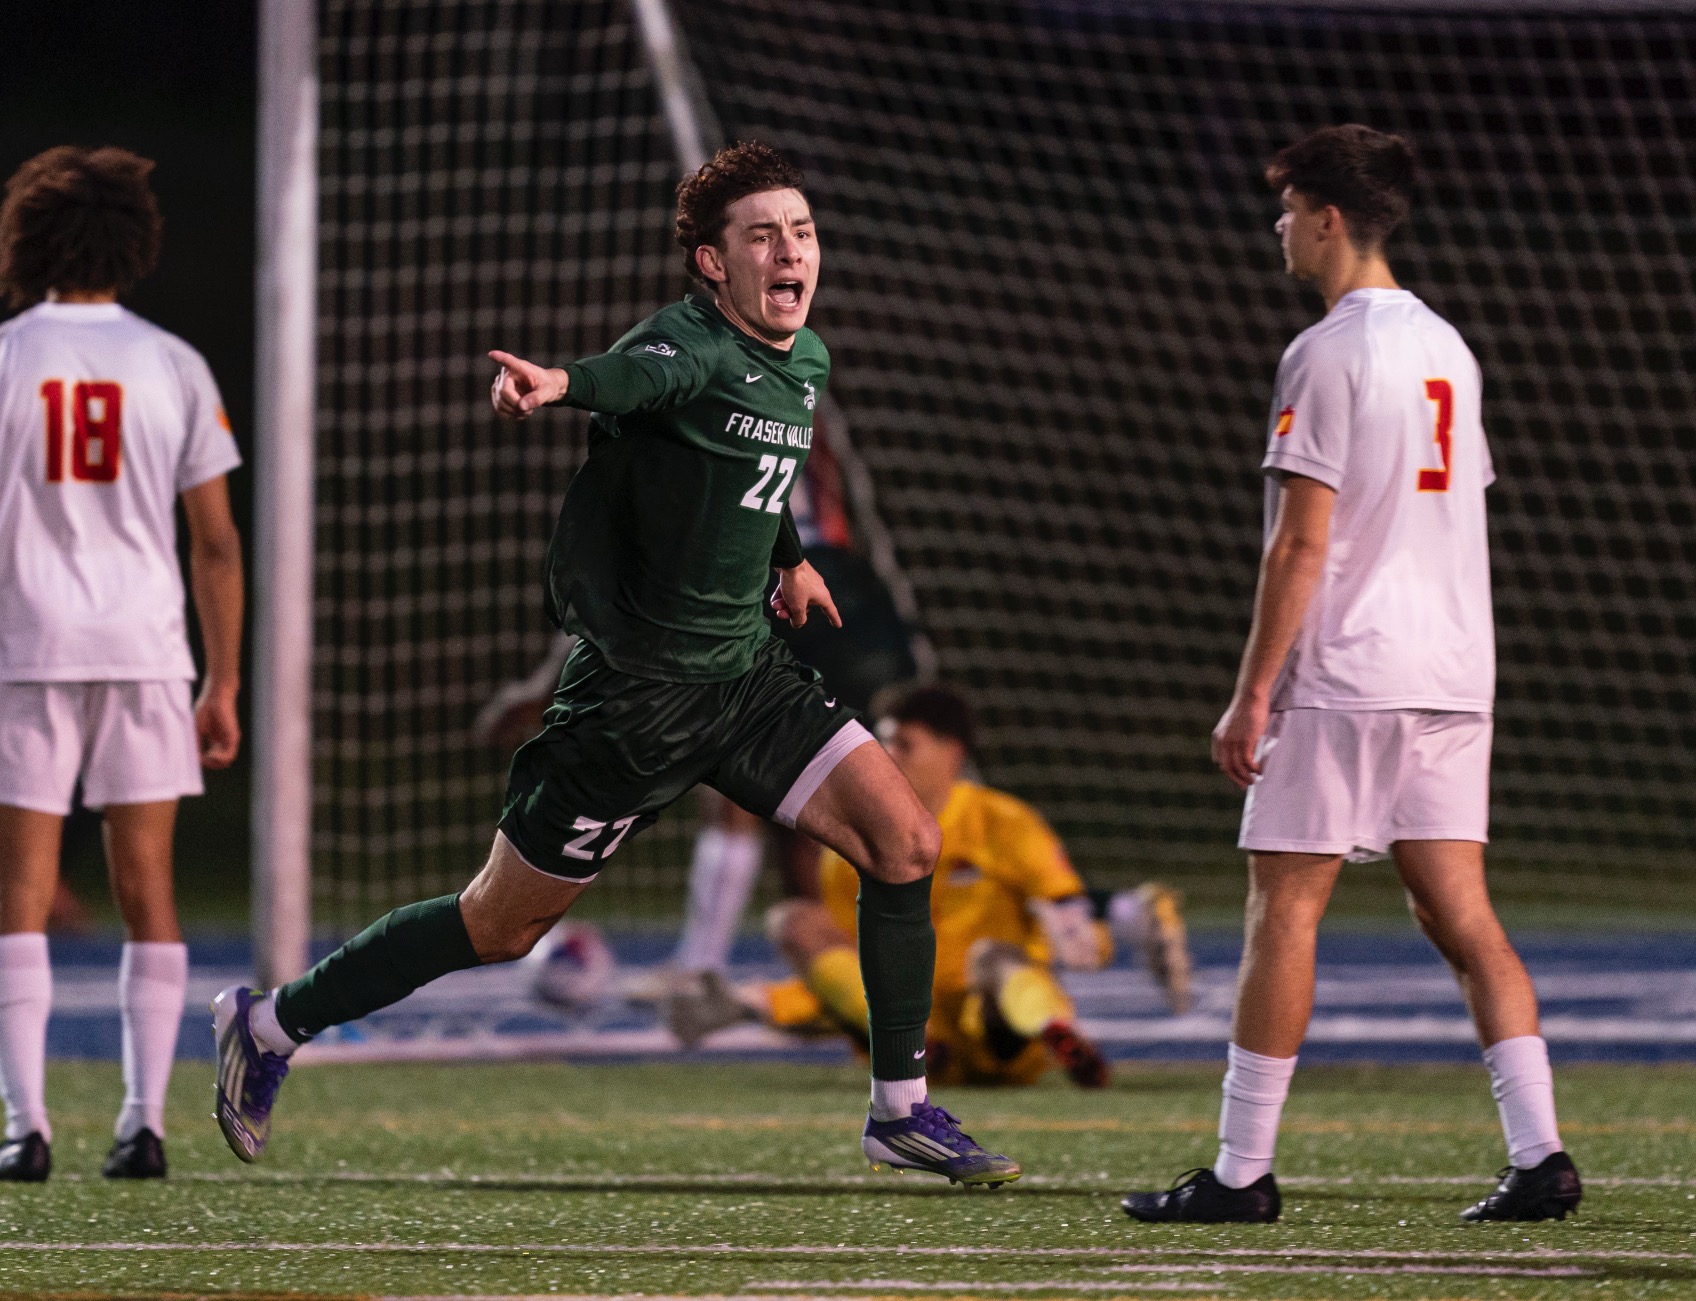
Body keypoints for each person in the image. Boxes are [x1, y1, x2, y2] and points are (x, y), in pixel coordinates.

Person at [213, 141, 1021, 1188]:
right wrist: (558, 383)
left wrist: (788, 559)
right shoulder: (683, 342)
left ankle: (898, 1111)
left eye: (802, 231)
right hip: (632, 704)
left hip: (745, 681)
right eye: (763, 236)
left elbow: (754, 465)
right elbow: (633, 379)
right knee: (496, 924)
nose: (790, 251)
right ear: (711, 264)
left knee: (905, 841)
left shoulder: (805, 358)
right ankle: (270, 1023)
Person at [1121, 125, 1580, 1225]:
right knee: (1460, 912)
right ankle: (1541, 1155)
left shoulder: (1325, 352)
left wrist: (1251, 692)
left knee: (1283, 907)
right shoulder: (1448, 347)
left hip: (1348, 670)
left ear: (1327, 218)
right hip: (1452, 671)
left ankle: (1240, 1173)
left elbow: (1300, 543)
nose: (1277, 227)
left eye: (1286, 209)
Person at [0, 145, 244, 1184]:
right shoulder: (175, 363)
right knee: (147, 889)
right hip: (144, 646)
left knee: (20, 892)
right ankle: (143, 1125)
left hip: (23, 644)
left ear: (25, 239)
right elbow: (215, 541)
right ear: (134, 242)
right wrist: (222, 679)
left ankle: (27, 1127)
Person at [473, 429, 919, 993]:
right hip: (846, 596)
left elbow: (624, 579)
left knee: (731, 785)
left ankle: (700, 968)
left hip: (753, 581)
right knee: (815, 796)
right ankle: (840, 970)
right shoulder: (799, 408)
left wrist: (539, 687)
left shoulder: (676, 424)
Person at [668, 683, 1195, 1092]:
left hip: (996, 1021)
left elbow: (1067, 908)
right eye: (883, 741)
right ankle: (915, 1045)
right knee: (795, 921)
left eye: (904, 743)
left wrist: (1088, 931)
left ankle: (1053, 1030)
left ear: (951, 752)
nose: (886, 754)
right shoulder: (849, 846)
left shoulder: (1001, 821)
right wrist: (758, 1004)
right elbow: (851, 974)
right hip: (915, 1038)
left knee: (992, 961)